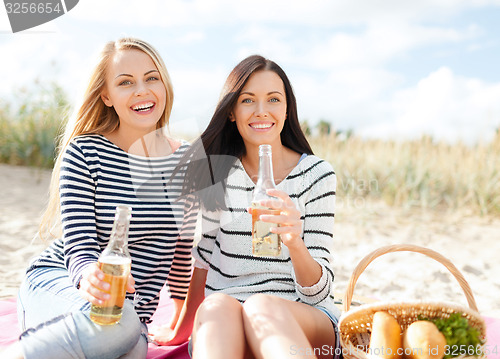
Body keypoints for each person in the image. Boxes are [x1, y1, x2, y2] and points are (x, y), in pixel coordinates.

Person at [4, 37, 197, 359]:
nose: (142, 90)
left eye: (152, 78)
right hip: (62, 285)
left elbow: (182, 250)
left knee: (134, 346)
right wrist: (88, 274)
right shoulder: (85, 151)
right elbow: (79, 246)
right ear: (106, 95)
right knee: (121, 327)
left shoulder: (190, 160)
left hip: (130, 317)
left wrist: (181, 318)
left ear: (164, 84)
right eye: (125, 82)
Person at [149, 55, 340, 359]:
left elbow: (318, 292)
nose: (261, 111)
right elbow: (203, 260)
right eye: (248, 100)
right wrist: (181, 328)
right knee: (218, 304)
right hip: (228, 317)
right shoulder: (217, 173)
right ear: (232, 113)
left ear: (287, 108)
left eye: (273, 99)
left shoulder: (317, 174)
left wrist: (294, 241)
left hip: (302, 318)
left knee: (261, 306)